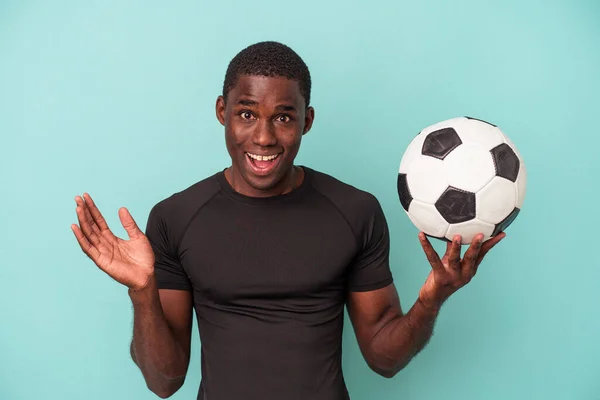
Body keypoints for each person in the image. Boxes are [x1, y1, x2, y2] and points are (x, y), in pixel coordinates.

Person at [71, 41, 505, 400]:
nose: (263, 137)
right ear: (222, 111)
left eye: (283, 117)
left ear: (306, 121)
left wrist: (432, 299)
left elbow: (383, 360)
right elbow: (163, 382)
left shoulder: (354, 211)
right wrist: (143, 292)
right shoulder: (176, 217)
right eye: (246, 114)